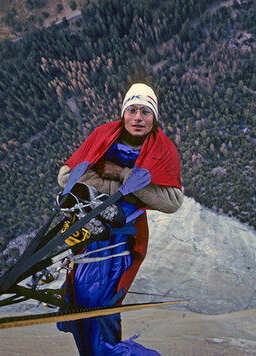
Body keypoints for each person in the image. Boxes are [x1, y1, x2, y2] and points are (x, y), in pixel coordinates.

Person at [56, 83, 183, 355]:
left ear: (154, 117)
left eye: (146, 112)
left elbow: (172, 201)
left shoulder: (163, 149)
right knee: (82, 305)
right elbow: (66, 176)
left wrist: (120, 173)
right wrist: (126, 188)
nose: (138, 117)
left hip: (123, 237)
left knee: (99, 309)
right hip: (90, 234)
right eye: (133, 110)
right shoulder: (103, 134)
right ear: (124, 113)